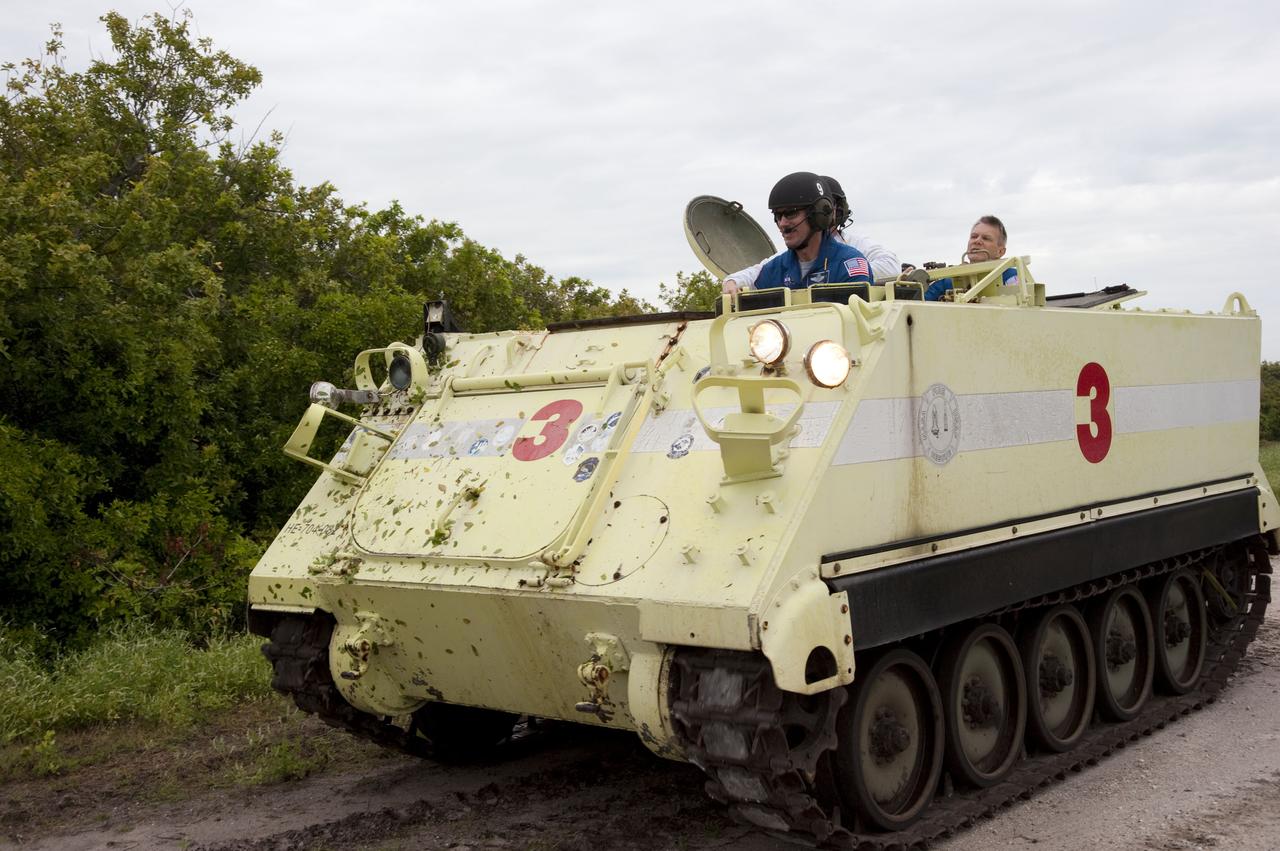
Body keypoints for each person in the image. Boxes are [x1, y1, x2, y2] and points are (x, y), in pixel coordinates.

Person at [721, 174, 895, 293]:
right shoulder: (778, 267)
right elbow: (756, 274)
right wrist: (732, 282)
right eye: (777, 216)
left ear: (819, 214)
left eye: (791, 213)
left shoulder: (850, 261)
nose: (782, 224)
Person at [923, 215, 1020, 301]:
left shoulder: (1011, 277)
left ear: (1000, 251)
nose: (977, 241)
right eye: (974, 236)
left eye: (986, 238)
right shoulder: (950, 281)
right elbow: (918, 302)